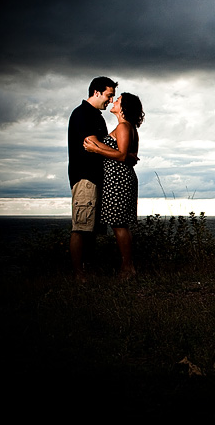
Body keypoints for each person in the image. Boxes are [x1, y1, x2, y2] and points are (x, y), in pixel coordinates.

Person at [83, 92, 144, 279]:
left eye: (117, 100)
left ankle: (128, 268)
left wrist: (96, 148)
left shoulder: (124, 126)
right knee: (118, 223)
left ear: (124, 107)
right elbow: (130, 156)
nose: (113, 102)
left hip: (119, 179)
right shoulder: (126, 127)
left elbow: (123, 155)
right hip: (118, 178)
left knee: (119, 224)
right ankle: (127, 266)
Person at [68, 76, 117, 281]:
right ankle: (79, 274)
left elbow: (101, 143)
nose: (111, 100)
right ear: (96, 92)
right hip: (85, 178)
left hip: (96, 178)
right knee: (81, 228)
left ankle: (88, 270)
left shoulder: (96, 116)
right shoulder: (82, 114)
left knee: (92, 229)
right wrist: (121, 154)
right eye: (109, 95)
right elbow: (92, 143)